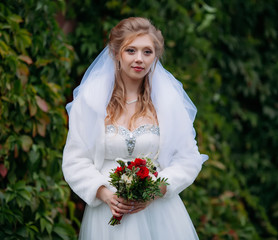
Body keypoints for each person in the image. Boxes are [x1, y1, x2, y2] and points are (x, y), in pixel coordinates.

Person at [62, 17, 208, 240]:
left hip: (159, 213)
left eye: (147, 52)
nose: (139, 59)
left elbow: (188, 159)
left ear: (155, 57)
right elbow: (75, 160)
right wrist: (105, 194)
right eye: (131, 50)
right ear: (116, 54)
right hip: (107, 215)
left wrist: (155, 190)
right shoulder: (91, 102)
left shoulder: (168, 103)